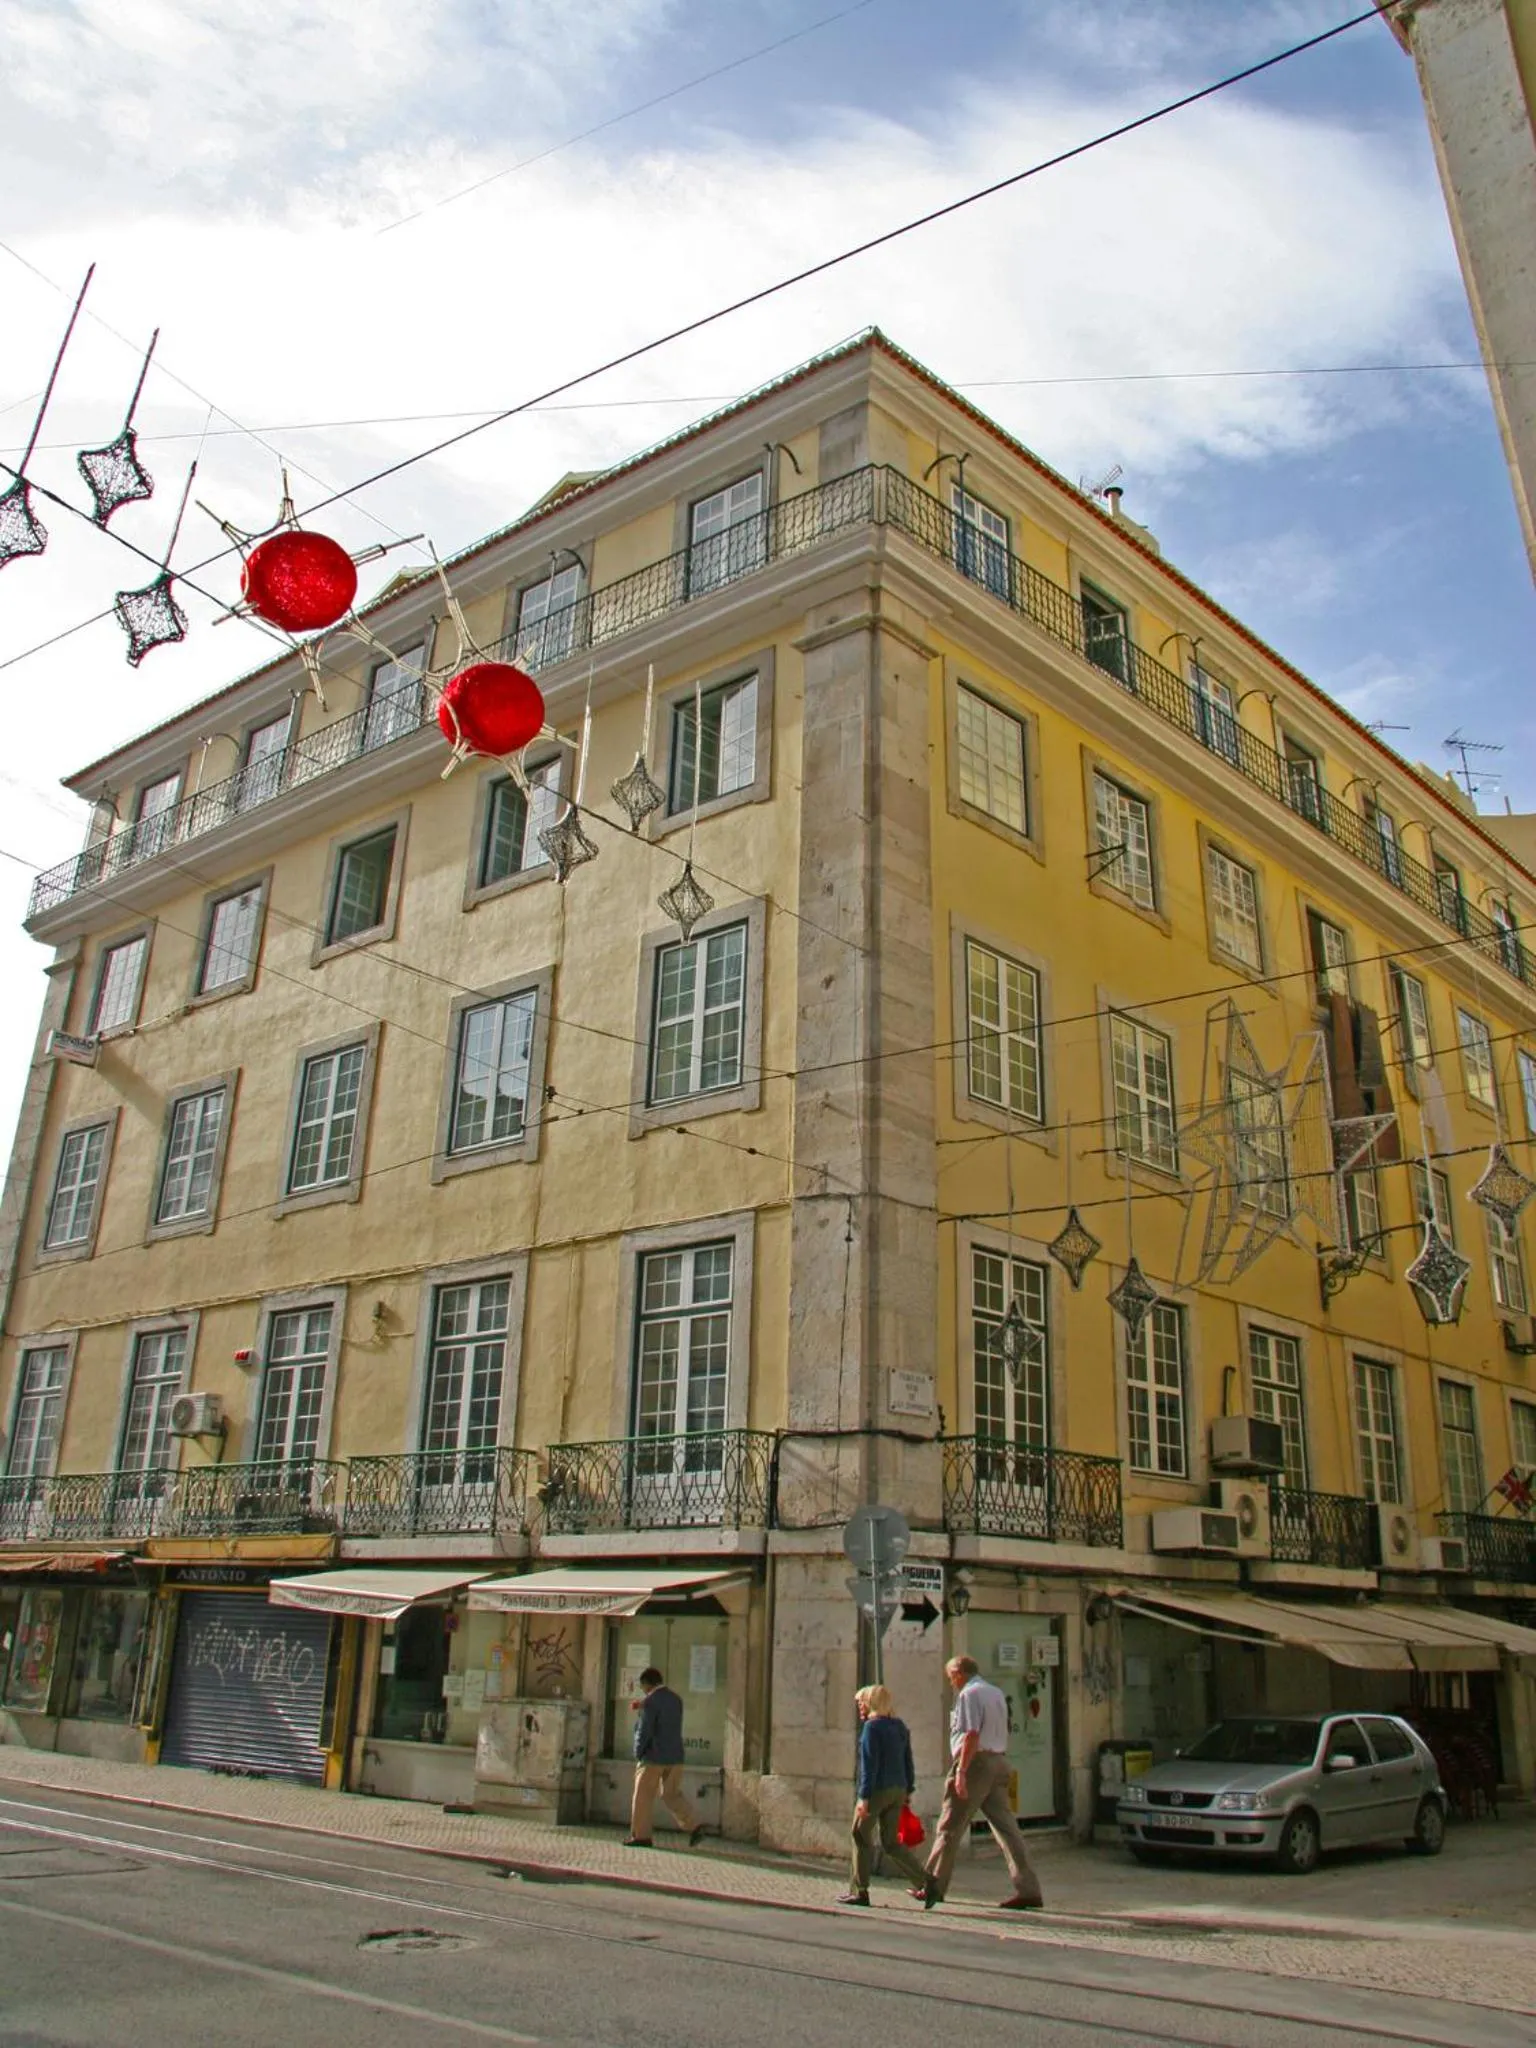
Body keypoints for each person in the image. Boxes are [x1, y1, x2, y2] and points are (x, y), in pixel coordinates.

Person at [919, 1654, 1043, 1910]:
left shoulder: (969, 1694)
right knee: (1008, 1830)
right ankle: (1029, 1889)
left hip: (976, 1763)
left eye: (951, 1677)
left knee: (949, 1826)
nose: (951, 1682)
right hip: (998, 1761)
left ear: (959, 1673)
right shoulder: (995, 1692)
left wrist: (962, 1771)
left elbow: (971, 1735)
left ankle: (931, 1886)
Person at [838, 1683, 930, 1907]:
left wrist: (864, 1798)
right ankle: (928, 1883)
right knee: (890, 1842)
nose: (859, 1707)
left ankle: (860, 1891)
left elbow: (869, 1766)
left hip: (877, 1791)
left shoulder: (872, 1728)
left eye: (861, 1703)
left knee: (859, 1834)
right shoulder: (899, 1726)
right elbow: (908, 1760)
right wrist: (908, 1789)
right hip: (898, 1789)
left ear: (870, 1703)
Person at [625, 1666, 706, 1848]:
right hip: (675, 1756)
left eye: (643, 1686)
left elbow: (645, 1730)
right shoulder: (676, 1699)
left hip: (653, 1757)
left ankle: (641, 1836)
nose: (643, 1690)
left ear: (646, 1684)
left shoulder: (650, 1701)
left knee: (642, 1797)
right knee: (671, 1794)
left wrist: (638, 1752)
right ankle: (695, 1825)